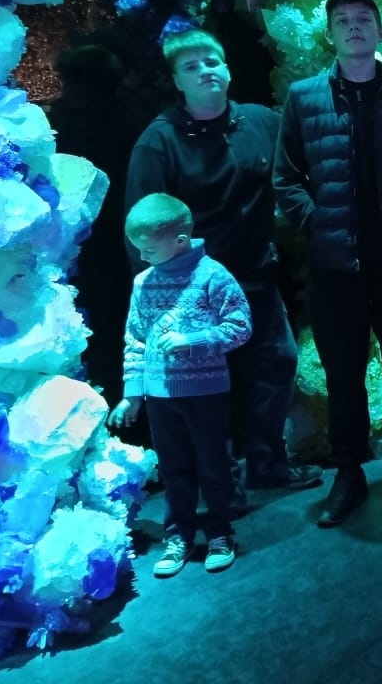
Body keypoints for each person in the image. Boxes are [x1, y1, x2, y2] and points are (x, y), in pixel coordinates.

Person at [274, 0, 382, 526]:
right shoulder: (304, 97)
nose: (354, 27)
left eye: (363, 19)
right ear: (330, 34)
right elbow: (286, 178)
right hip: (335, 268)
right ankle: (348, 473)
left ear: (381, 31)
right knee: (344, 374)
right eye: (343, 20)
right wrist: (318, 222)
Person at [124, 28, 322, 498]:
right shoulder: (159, 142)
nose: (205, 72)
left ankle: (267, 465)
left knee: (277, 364)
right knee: (209, 386)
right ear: (177, 81)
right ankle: (220, 484)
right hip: (190, 287)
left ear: (228, 69)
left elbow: (304, 161)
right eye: (191, 67)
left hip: (255, 274)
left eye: (211, 61)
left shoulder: (259, 122)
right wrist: (156, 294)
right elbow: (141, 224)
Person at [109, 193, 251, 577]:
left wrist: (194, 340)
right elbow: (136, 339)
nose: (143, 257)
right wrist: (132, 394)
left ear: (181, 240)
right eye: (138, 250)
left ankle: (219, 533)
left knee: (214, 465)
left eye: (150, 249)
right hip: (160, 396)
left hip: (206, 393)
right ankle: (179, 536)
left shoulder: (212, 276)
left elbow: (240, 326)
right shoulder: (143, 283)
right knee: (174, 469)